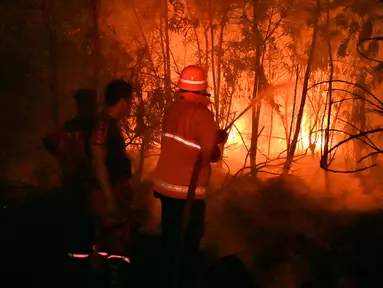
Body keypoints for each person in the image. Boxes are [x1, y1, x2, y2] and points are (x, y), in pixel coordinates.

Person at [152, 65, 228, 288]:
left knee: (169, 237)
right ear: (203, 89)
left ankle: (163, 276)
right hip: (188, 192)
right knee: (189, 242)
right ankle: (183, 280)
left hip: (165, 187)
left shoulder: (173, 109)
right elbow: (209, 155)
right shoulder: (202, 115)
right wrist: (217, 141)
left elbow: (183, 142)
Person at [89, 79, 134, 283]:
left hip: (115, 190)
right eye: (130, 100)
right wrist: (109, 195)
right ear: (123, 100)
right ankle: (102, 278)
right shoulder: (103, 124)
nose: (131, 105)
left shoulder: (109, 124)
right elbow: (98, 159)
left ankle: (110, 276)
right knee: (109, 238)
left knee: (116, 238)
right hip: (106, 192)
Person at [42, 88, 97, 257]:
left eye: (87, 104)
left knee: (88, 224)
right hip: (77, 182)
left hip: (90, 183)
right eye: (82, 104)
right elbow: (49, 140)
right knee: (78, 223)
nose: (84, 108)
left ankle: (83, 259)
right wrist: (62, 156)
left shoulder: (95, 127)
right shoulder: (73, 126)